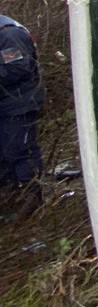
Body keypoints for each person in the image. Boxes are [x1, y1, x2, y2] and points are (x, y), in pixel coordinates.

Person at [0, 14, 45, 220]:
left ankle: (32, 197)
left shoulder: (9, 34)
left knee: (20, 150)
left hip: (19, 103)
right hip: (5, 103)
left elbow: (18, 67)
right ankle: (10, 197)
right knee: (4, 154)